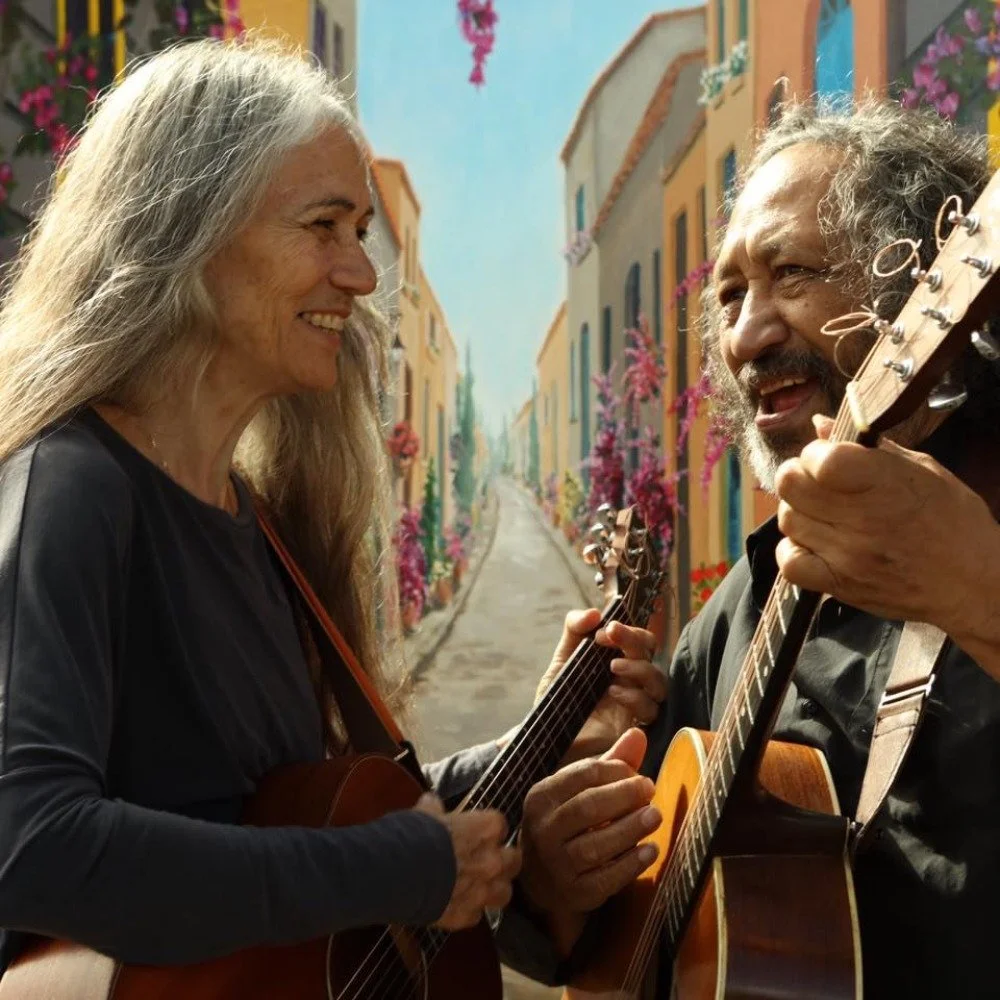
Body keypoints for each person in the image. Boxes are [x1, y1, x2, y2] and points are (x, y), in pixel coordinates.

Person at [0, 39, 664, 978]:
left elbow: (311, 824)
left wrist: (549, 726)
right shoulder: (72, 487)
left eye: (361, 231)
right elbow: (32, 845)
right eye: (325, 227)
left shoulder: (258, 525)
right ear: (188, 229)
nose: (361, 275)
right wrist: (398, 869)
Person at [504, 97, 1000, 999]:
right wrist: (561, 868)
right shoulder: (744, 603)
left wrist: (980, 592)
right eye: (731, 294)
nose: (744, 336)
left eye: (792, 273)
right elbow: (624, 931)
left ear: (923, 286)